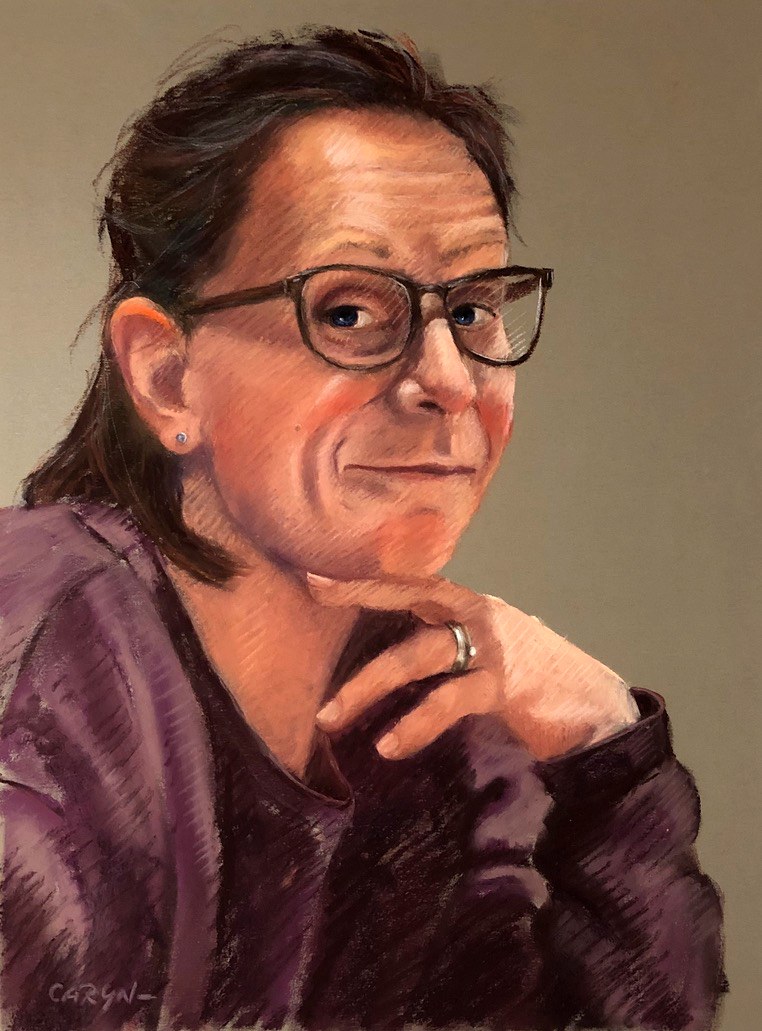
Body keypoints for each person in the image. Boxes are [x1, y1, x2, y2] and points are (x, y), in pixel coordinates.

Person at [0, 26, 726, 1031]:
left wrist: (603, 741)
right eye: (347, 311)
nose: (449, 380)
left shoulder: (440, 738)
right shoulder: (38, 656)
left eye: (472, 309)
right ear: (167, 375)